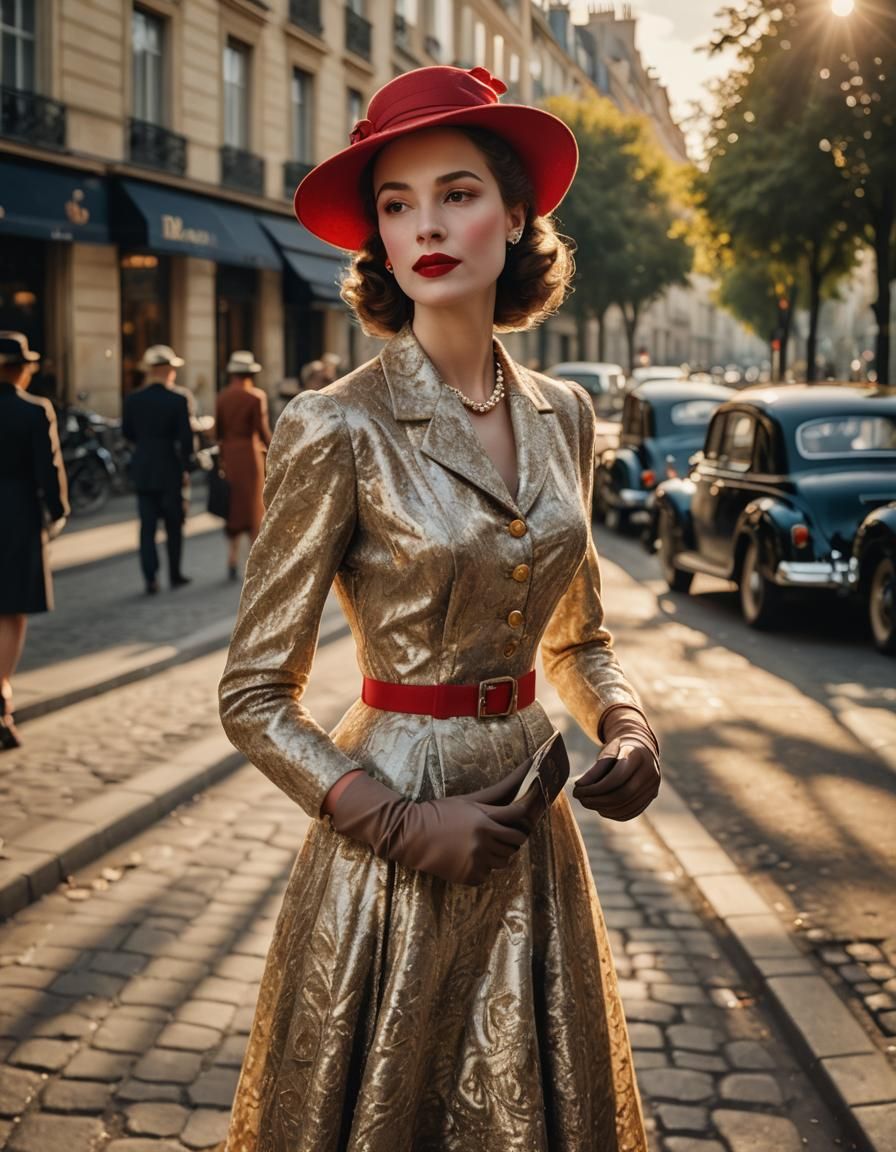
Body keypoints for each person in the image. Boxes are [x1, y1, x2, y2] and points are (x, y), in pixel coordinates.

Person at [218, 66, 659, 1151]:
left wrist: (624, 720)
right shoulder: (335, 425)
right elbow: (251, 695)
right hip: (394, 836)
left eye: (456, 193)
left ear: (516, 218)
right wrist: (400, 823)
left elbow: (578, 634)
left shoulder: (564, 413)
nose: (424, 225)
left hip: (532, 824)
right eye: (395, 202)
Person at [0, 332, 68, 749]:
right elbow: (50, 468)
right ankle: (2, 695)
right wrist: (58, 512)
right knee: (12, 610)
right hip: (18, 514)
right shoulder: (35, 410)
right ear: (21, 370)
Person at [123, 345, 193, 594]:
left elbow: (127, 433)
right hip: (169, 467)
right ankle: (174, 574)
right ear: (166, 371)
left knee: (147, 527)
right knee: (174, 525)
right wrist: (187, 467)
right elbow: (186, 440)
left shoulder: (133, 399)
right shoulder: (178, 400)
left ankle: (150, 578)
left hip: (143, 466)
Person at [214, 350, 272, 580]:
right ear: (250, 374)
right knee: (253, 507)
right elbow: (262, 432)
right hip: (250, 455)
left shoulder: (223, 396)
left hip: (229, 455)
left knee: (233, 508)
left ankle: (231, 558)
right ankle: (254, 561)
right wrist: (277, 450)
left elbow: (218, 431)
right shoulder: (255, 397)